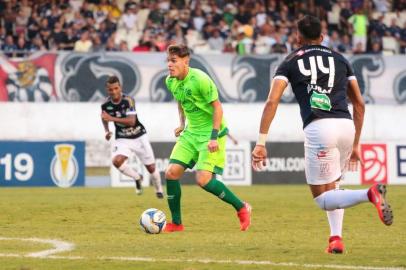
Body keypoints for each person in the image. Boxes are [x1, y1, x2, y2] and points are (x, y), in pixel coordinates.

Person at [251, 15, 393, 254]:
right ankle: (335, 239)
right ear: (322, 36)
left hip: (319, 128)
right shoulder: (340, 59)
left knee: (321, 198)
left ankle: (370, 193)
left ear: (298, 37)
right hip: (346, 126)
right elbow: (359, 103)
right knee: (334, 187)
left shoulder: (289, 62)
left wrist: (261, 142)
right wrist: (356, 143)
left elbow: (271, 102)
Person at [163, 44, 251, 232]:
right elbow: (182, 101)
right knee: (171, 173)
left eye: (174, 61)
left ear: (186, 61)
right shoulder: (170, 81)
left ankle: (241, 207)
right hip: (191, 133)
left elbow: (218, 107)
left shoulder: (200, 79)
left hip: (212, 133)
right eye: (168, 61)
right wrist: (181, 123)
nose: (169, 65)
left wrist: (213, 137)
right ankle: (177, 223)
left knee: (203, 179)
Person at [101, 76, 164, 198]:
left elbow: (131, 121)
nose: (113, 92)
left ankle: (159, 190)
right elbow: (103, 118)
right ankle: (137, 177)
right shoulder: (105, 104)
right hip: (123, 138)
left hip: (139, 135)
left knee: (151, 168)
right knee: (116, 161)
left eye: (116, 88)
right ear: (107, 90)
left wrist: (112, 119)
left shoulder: (129, 100)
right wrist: (106, 131)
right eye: (110, 89)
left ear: (120, 87)